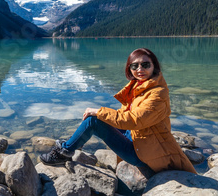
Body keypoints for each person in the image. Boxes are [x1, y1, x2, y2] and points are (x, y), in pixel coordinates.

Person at [40, 48, 196, 174]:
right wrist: (102, 115)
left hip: (143, 153)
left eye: (145, 65)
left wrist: (99, 112)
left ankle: (64, 153)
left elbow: (134, 120)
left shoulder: (158, 93)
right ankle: (75, 143)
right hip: (137, 139)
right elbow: (123, 117)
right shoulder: (139, 86)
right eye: (134, 66)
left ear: (154, 66)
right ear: (129, 68)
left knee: (94, 120)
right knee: (97, 118)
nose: (139, 69)